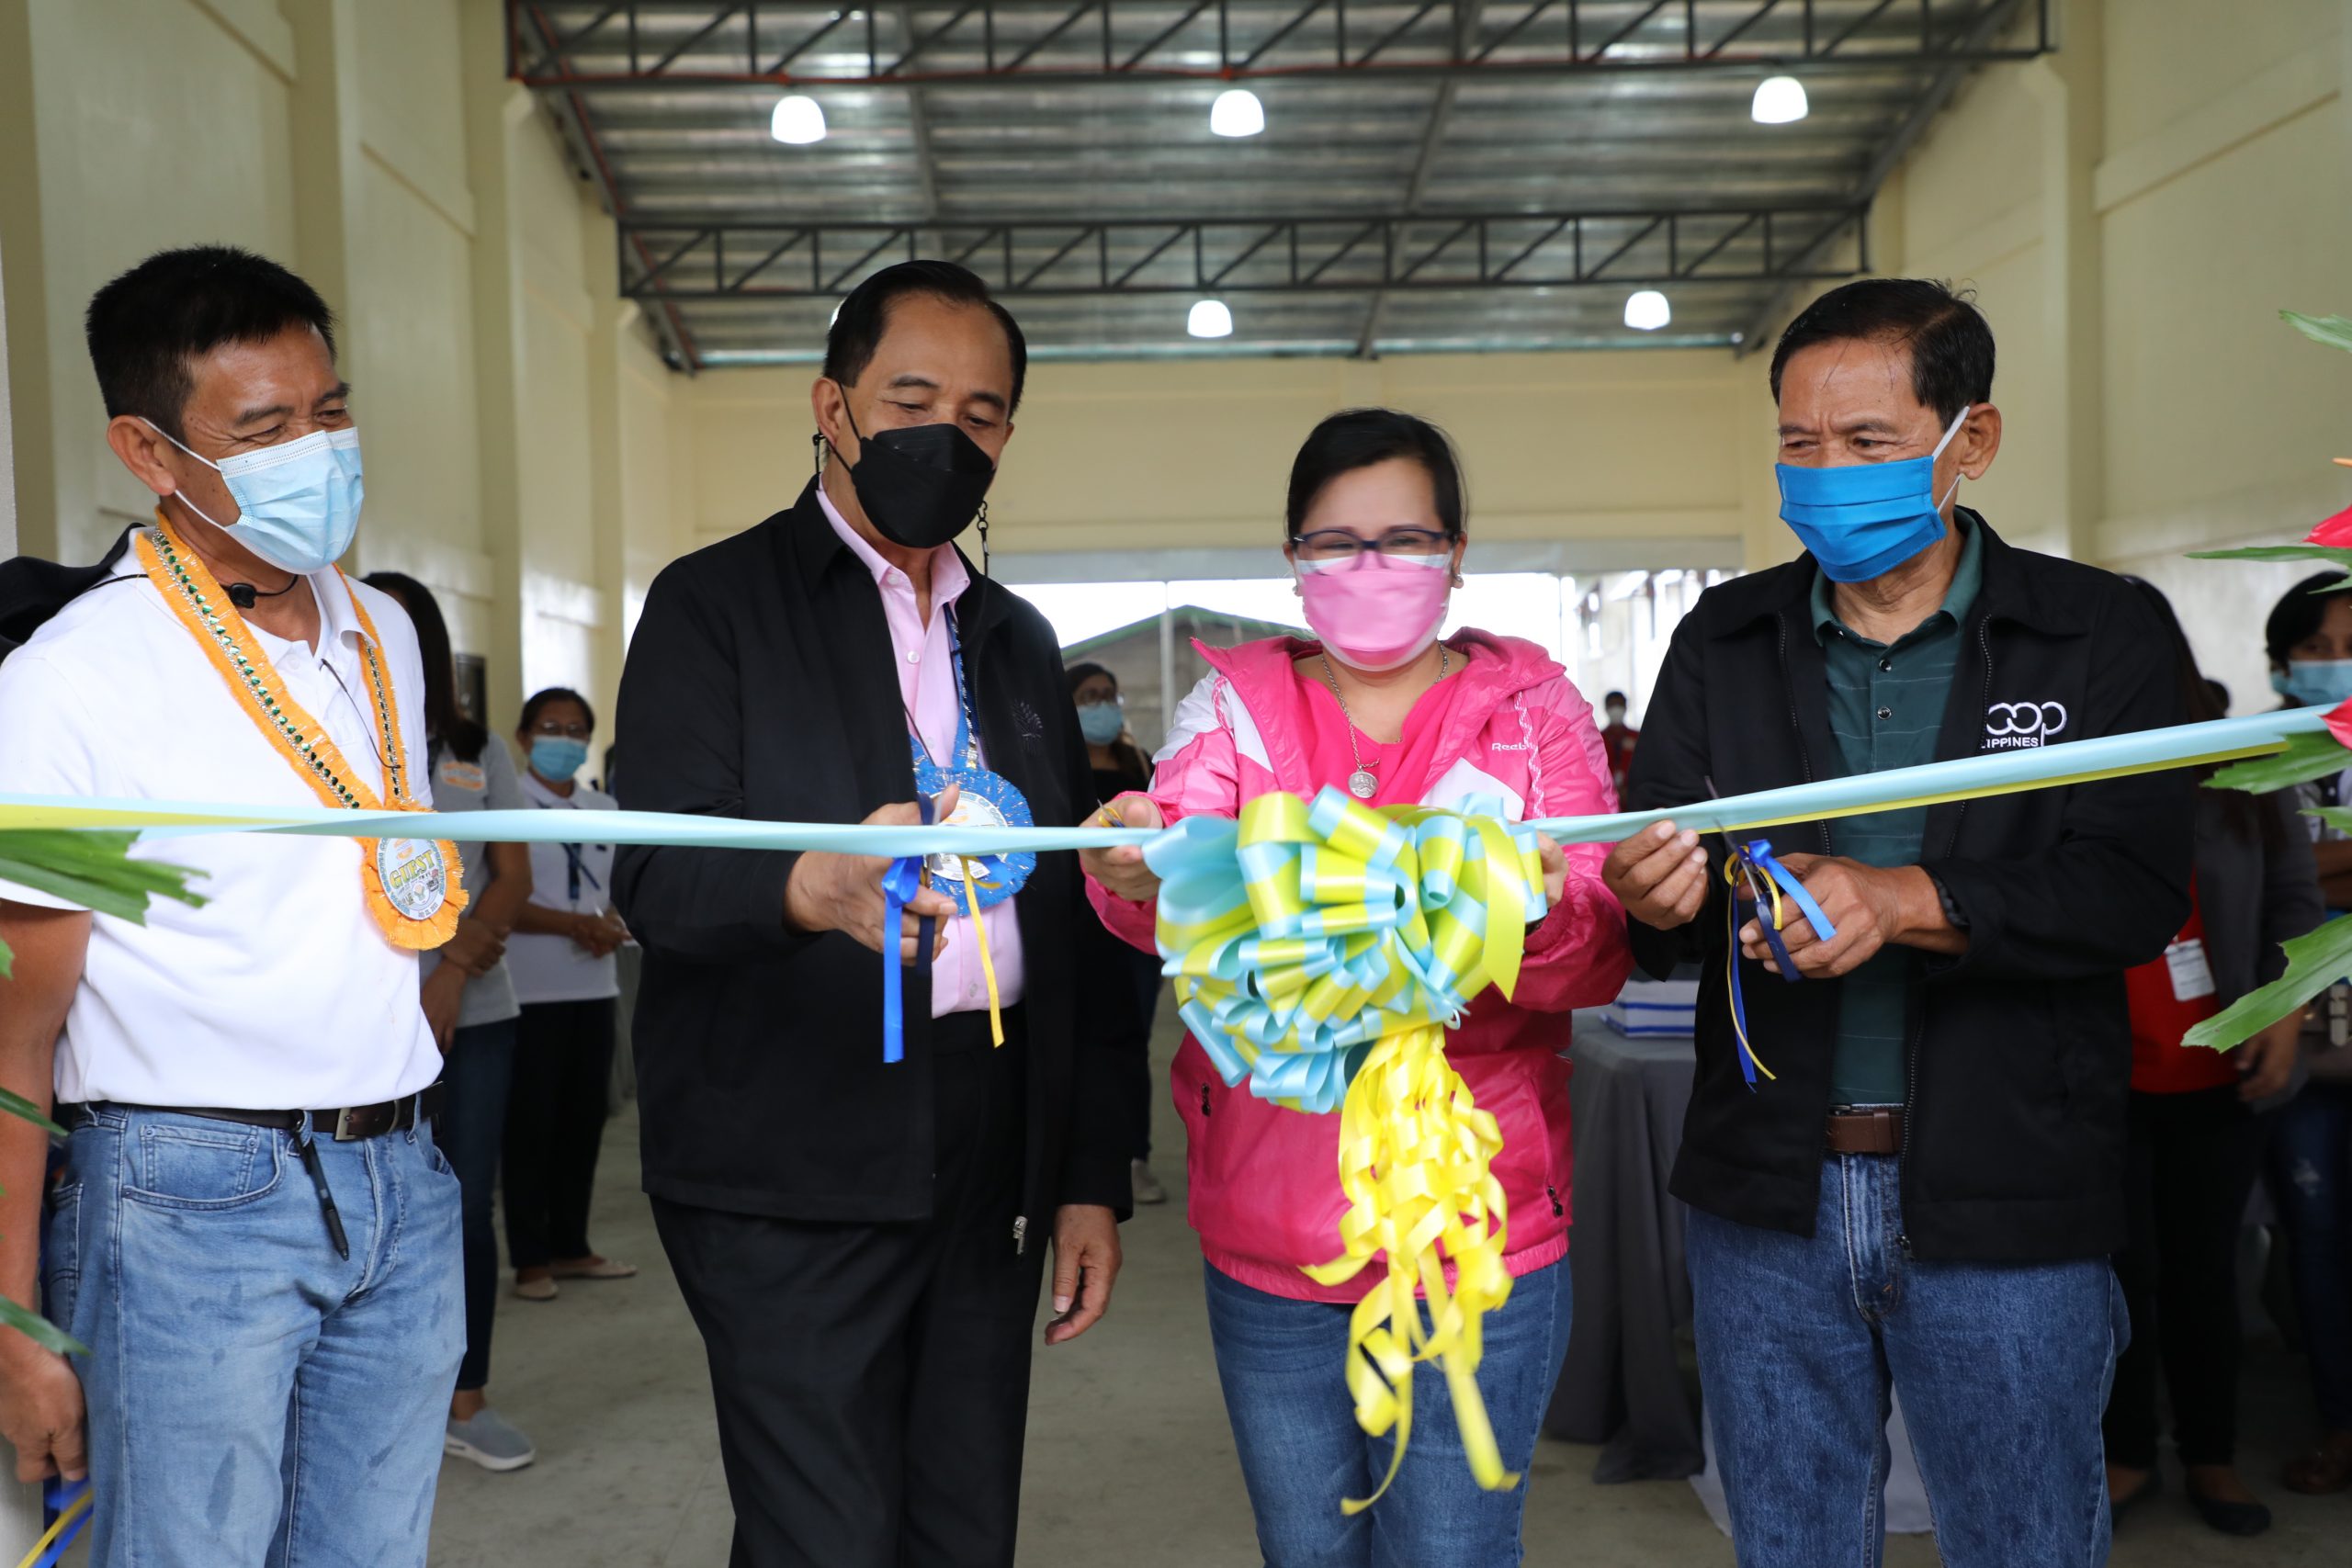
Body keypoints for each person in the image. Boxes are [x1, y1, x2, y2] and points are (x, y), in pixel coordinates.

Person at [1604, 278, 2191, 1568]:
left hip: (2011, 1188)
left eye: (1867, 444)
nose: (1825, 475)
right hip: (1769, 1190)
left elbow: (2134, 888)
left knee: (2026, 1535)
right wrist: (1656, 894)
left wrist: (1907, 898)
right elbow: (1659, 872)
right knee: (1792, 1537)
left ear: (1966, 441)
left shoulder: (2096, 632)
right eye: (1797, 445)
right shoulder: (1727, 634)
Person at [611, 259, 1132, 1568]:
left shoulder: (1013, 637)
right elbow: (654, 880)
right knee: (823, 1532)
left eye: (983, 411)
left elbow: (1066, 923)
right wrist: (805, 885)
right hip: (788, 1149)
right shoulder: (712, 605)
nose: (945, 435)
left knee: (964, 1523)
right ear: (832, 406)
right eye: (911, 395)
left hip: (987, 1144)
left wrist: (1084, 1175)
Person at [1080, 408, 1632, 1567]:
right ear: (1292, 561)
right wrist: (1131, 872)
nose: (1368, 568)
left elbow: (1591, 946)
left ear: (1456, 553)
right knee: (1306, 1550)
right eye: (1334, 543)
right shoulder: (1227, 710)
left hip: (1479, 1227)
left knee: (1453, 1551)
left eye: (1403, 538)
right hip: (1271, 1221)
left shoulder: (1534, 715)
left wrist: (1519, 909)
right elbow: (1172, 915)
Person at [0, 246, 460, 1563]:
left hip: (401, 1178)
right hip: (190, 1197)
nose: (314, 451)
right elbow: (14, 1031)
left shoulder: (381, 631)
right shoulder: (74, 680)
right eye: (262, 429)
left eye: (329, 411)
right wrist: (16, 1318)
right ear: (149, 450)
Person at [2100, 579, 2319, 1537]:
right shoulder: (2061, 764)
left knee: (2205, 1275)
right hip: (2100, 1077)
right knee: (2116, 1277)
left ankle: (2213, 1456)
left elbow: (2294, 904)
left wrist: (2280, 1011)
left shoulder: (2238, 764)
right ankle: (2124, 1451)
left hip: (2217, 1074)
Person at [364, 570, 541, 1472]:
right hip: (360, 1023)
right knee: (363, 1206)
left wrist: (454, 972)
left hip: (475, 1019)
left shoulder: (475, 752)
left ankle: (464, 1401)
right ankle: (383, 1392)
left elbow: (512, 874)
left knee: (464, 1203)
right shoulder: (334, 740)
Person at [2262, 570, 2352, 1495]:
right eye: (2314, 649)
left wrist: (2314, 869)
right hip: (2305, 1039)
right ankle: (2338, 1426)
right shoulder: (2260, 749)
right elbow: (2273, 882)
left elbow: (2303, 873)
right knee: (2314, 1240)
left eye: (2347, 647)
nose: (2333, 666)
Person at [503, 687, 635, 1303]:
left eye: (575, 729)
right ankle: (530, 1259)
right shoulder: (506, 805)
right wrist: (571, 925)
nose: (564, 738)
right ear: (526, 736)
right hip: (528, 992)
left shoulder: (603, 805)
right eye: (551, 726)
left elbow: (615, 889)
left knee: (584, 1122)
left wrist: (607, 920)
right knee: (531, 1128)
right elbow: (496, 895)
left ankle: (572, 1245)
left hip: (594, 984)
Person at [1067, 660, 1169, 1206]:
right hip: (1077, 924)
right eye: (1089, 695)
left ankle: (1134, 1156)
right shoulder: (1060, 768)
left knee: (1130, 1039)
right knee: (1079, 1040)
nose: (1102, 704)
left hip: (1135, 926)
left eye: (1109, 693)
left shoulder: (1140, 765)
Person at [1600, 688, 1638, 795]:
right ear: (1606, 708)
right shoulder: (1598, 738)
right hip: (1605, 795)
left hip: (1632, 796)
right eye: (1612, 705)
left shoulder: (1637, 737)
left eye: (1619, 705)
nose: (1616, 709)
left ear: (1625, 707)